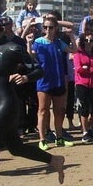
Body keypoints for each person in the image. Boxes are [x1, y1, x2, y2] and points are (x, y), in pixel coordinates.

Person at [0, 8, 64, 186]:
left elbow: (39, 70)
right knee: (16, 148)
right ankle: (54, 160)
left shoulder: (12, 48)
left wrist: (26, 77)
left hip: (7, 103)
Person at [33, 14, 77, 149]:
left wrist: (71, 37)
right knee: (43, 110)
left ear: (55, 28)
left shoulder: (58, 42)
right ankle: (42, 139)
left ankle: (59, 138)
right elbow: (30, 55)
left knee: (59, 111)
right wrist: (28, 42)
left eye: (50, 27)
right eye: (45, 27)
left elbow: (74, 50)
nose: (48, 30)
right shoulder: (38, 41)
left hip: (58, 81)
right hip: (43, 81)